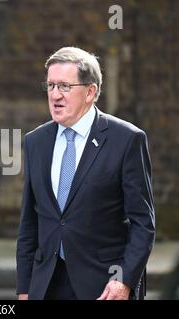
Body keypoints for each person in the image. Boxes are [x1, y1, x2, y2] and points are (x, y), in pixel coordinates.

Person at [16, 47, 155, 300]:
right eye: (50, 85)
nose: (55, 95)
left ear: (90, 91)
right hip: (46, 285)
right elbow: (29, 223)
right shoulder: (35, 141)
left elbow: (143, 223)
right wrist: (25, 289)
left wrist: (124, 280)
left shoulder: (126, 140)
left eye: (64, 86)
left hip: (104, 286)